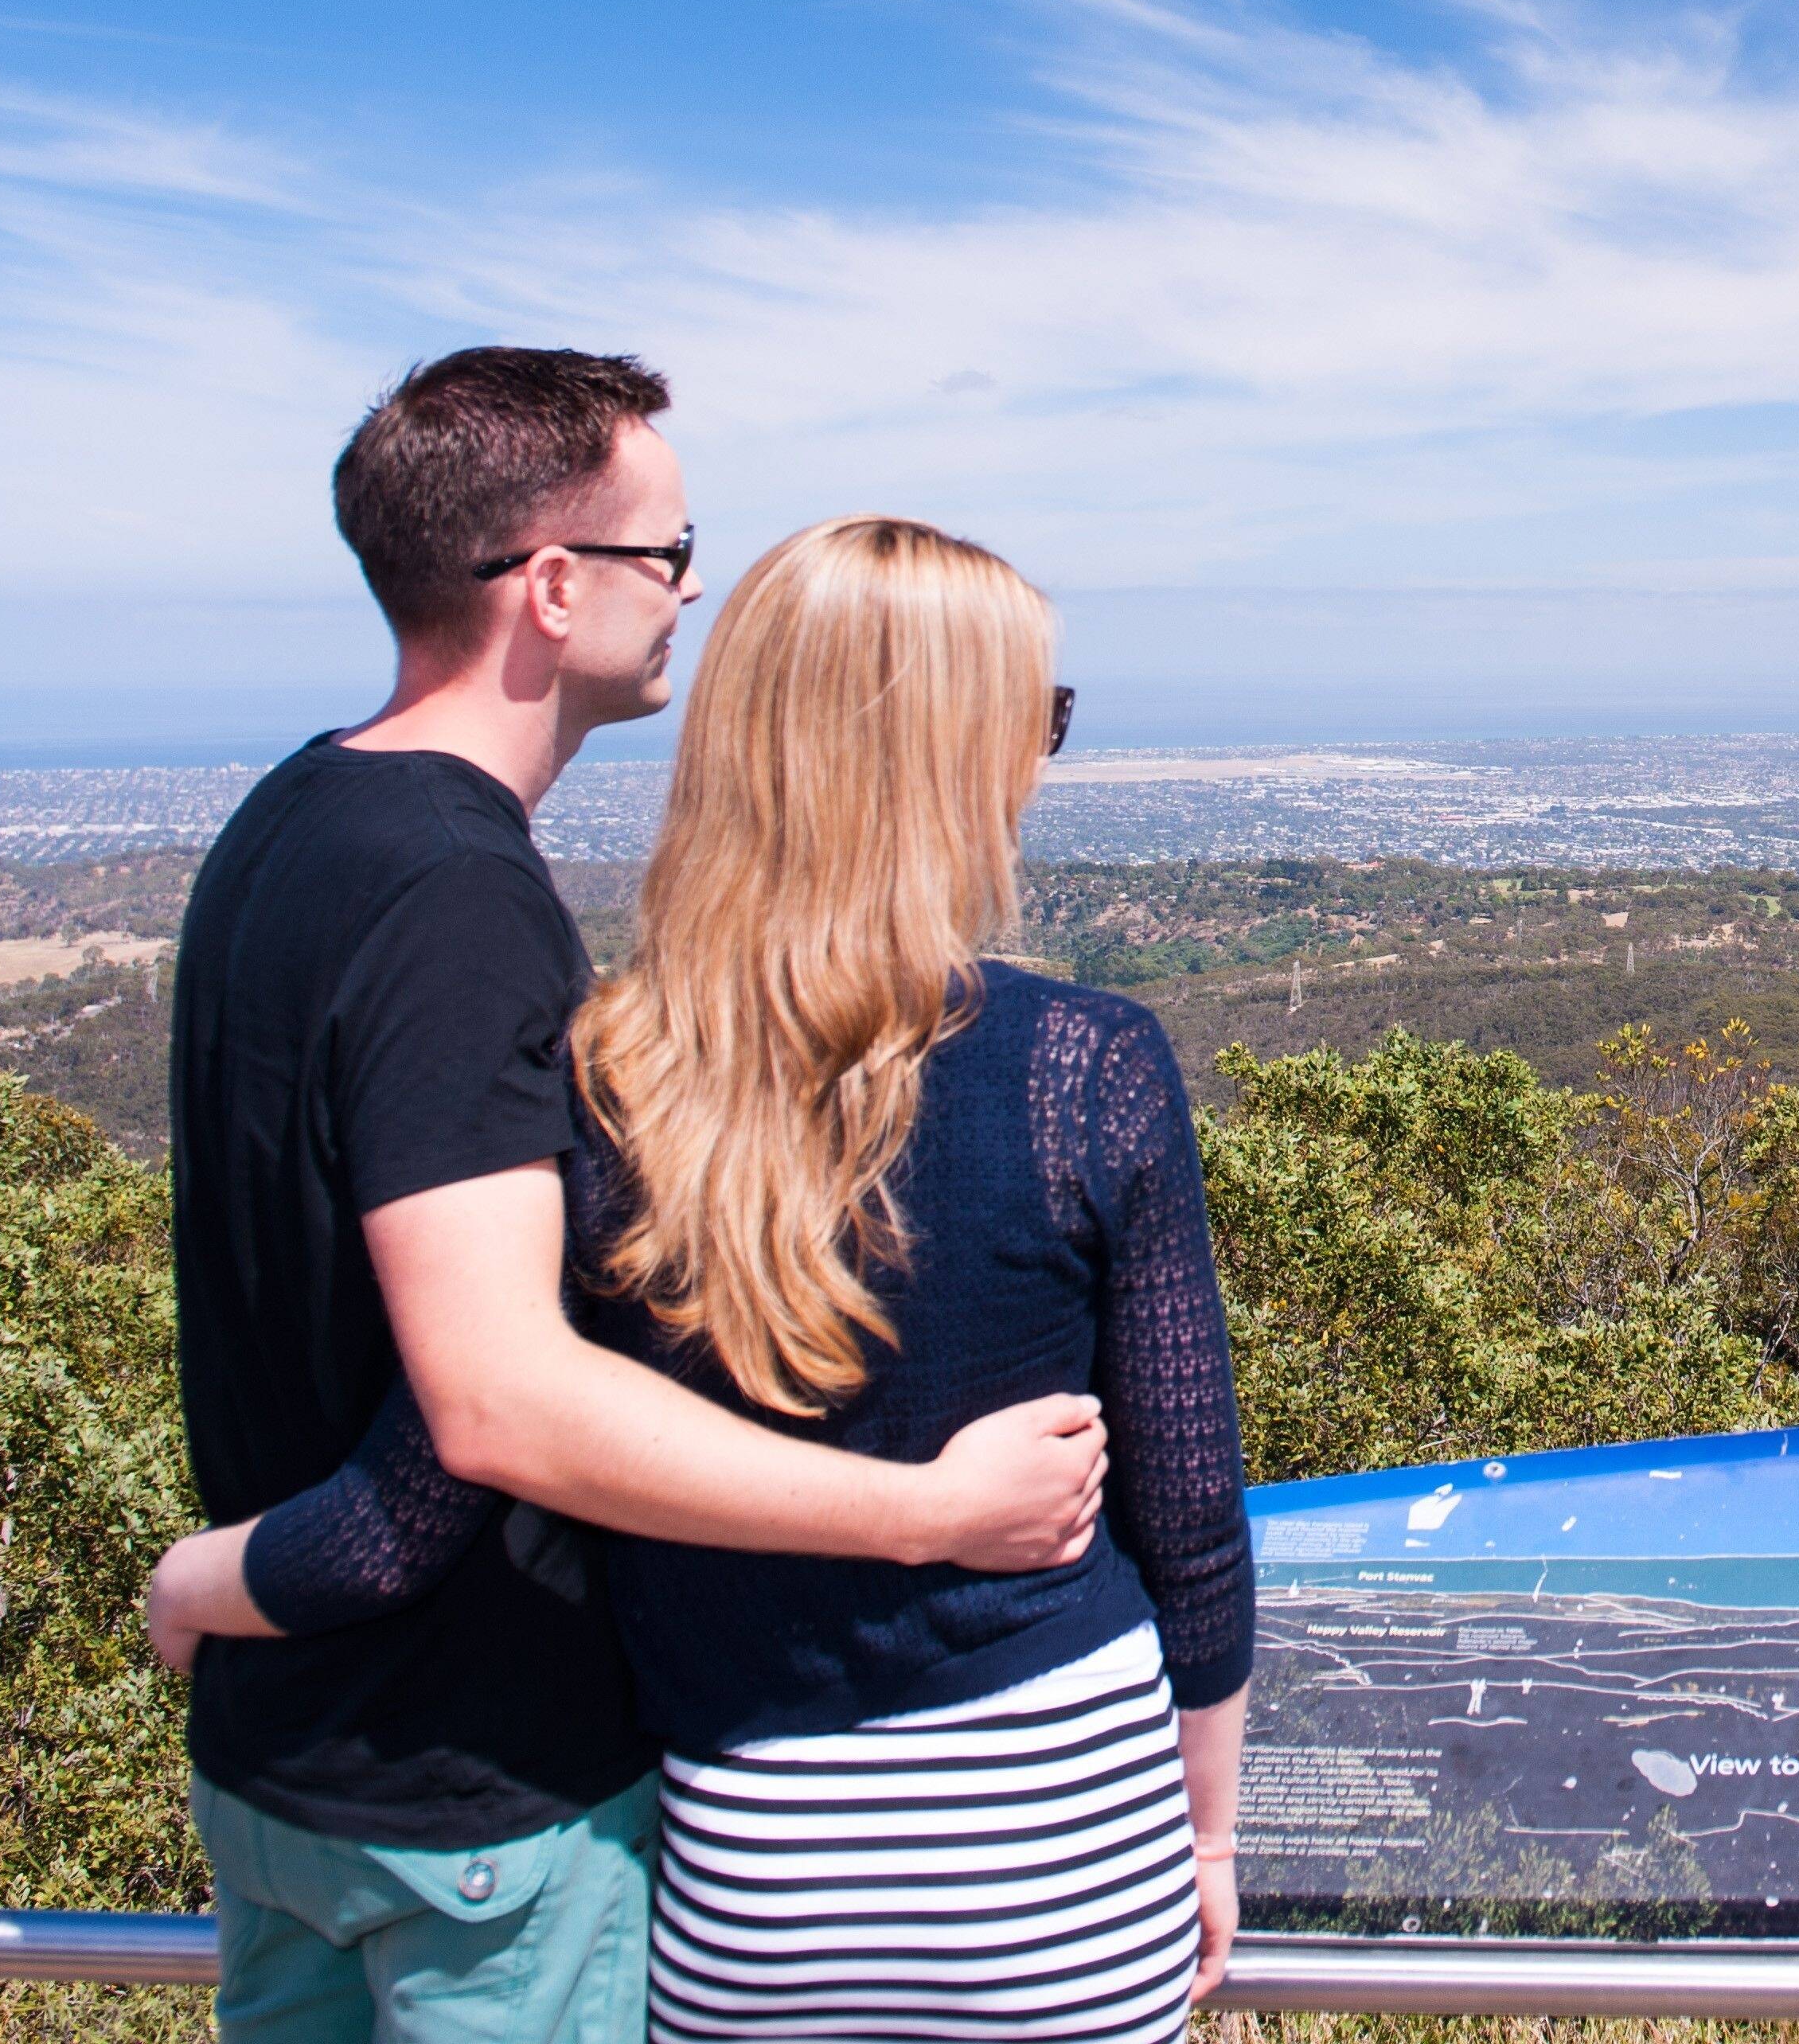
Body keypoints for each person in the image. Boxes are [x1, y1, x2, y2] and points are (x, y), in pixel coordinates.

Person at [156, 513, 1256, 2044]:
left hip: (757, 1864)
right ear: (959, 754)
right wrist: (1210, 1837)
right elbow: (1191, 1523)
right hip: (1062, 1851)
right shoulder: (1087, 1069)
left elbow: (424, 1488)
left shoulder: (614, 1084)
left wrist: (204, 1581)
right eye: (1038, 718)